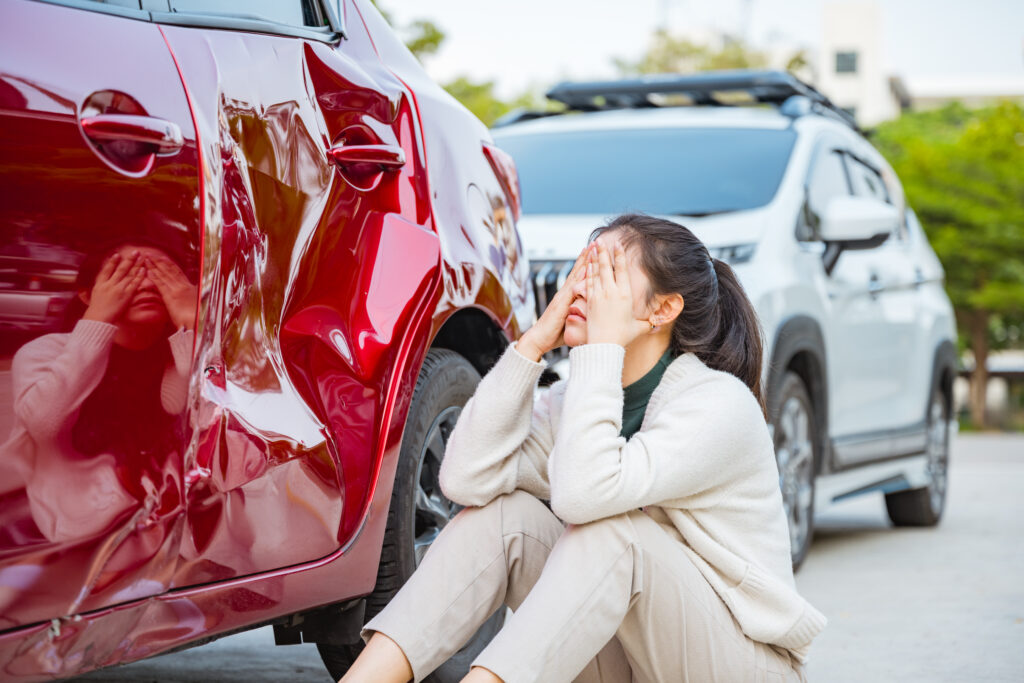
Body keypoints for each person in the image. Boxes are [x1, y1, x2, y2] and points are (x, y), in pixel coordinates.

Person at [341, 214, 826, 682]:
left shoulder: (719, 405)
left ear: (662, 310)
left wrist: (599, 349)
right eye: (582, 268)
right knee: (500, 516)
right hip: (633, 661)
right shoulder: (576, 402)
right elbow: (466, 478)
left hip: (741, 663)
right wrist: (531, 346)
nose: (580, 287)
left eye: (607, 273)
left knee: (612, 532)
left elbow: (583, 496)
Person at [1, 241, 195, 544]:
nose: (146, 283)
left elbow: (205, 414)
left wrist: (193, 325)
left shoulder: (181, 351)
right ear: (88, 294)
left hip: (175, 523)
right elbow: (43, 426)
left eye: (161, 272)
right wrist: (97, 319)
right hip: (83, 534)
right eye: (126, 272)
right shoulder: (46, 351)